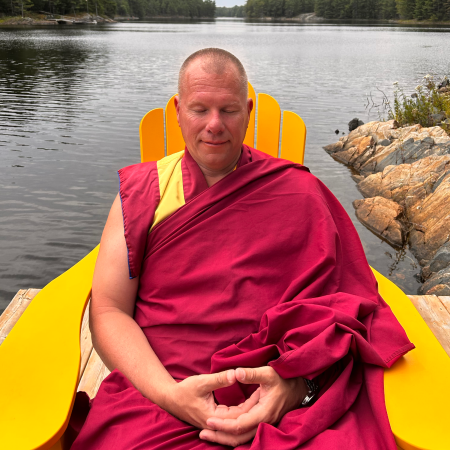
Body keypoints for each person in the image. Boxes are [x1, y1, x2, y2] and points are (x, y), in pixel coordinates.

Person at [70, 48, 414, 450]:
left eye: (228, 110)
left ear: (249, 110)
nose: (214, 126)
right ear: (178, 110)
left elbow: (348, 302)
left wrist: (298, 386)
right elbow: (109, 309)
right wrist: (171, 396)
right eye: (199, 109)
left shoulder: (299, 193)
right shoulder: (142, 193)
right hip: (162, 389)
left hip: (283, 392)